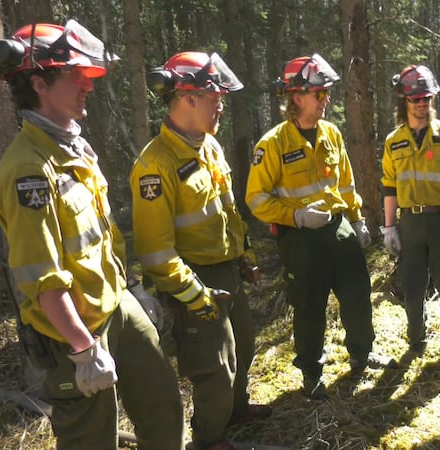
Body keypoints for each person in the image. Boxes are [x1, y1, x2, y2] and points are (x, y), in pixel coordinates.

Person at [0, 21, 184, 450]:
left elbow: (101, 238)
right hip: (73, 334)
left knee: (164, 409)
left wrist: (131, 289)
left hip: (116, 304)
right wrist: (82, 348)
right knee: (91, 441)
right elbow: (41, 276)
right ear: (39, 83)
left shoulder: (74, 148)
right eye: (75, 76)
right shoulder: (29, 170)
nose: (88, 86)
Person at [131, 52, 271, 450]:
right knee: (215, 366)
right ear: (187, 98)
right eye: (214, 98)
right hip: (194, 279)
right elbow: (155, 251)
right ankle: (209, 439)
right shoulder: (154, 165)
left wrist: (245, 255)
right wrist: (193, 295)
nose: (221, 106)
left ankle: (236, 409)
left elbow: (227, 208)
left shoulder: (209, 146)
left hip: (227, 267)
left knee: (243, 345)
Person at [246, 54, 391, 400]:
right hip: (301, 238)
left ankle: (361, 352)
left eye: (327, 93)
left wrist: (356, 220)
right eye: (319, 94)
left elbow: (346, 184)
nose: (326, 100)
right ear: (296, 97)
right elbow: (256, 198)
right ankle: (311, 372)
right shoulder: (273, 144)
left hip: (338, 228)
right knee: (310, 305)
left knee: (357, 291)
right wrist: (296, 217)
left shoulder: (331, 134)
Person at [380, 64, 440, 364]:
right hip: (410, 223)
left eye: (426, 99)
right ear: (403, 101)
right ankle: (416, 342)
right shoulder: (393, 141)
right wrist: (388, 227)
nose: (421, 105)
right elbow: (389, 187)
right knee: (412, 286)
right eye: (415, 100)